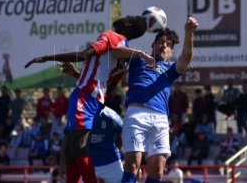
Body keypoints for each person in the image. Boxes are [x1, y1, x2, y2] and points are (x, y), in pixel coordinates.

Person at [25, 15, 147, 182]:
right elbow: (106, 87)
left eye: (125, 17)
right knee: (71, 151)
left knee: (79, 148)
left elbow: (83, 55)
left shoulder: (111, 36)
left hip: (84, 96)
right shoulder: (124, 56)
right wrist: (77, 74)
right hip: (92, 99)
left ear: (128, 24)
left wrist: (46, 57)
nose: (121, 17)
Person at [112, 18, 198, 182]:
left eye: (168, 45)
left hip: (160, 120)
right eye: (160, 42)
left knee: (157, 171)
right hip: (136, 114)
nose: (164, 45)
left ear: (171, 52)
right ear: (153, 44)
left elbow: (186, 59)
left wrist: (189, 33)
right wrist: (139, 54)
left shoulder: (171, 70)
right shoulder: (138, 60)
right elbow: (115, 51)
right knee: (131, 165)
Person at [59, 61, 126, 183]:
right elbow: (67, 138)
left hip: (110, 162)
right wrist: (62, 163)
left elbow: (126, 135)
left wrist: (132, 160)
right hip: (87, 164)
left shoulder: (112, 116)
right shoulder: (78, 114)